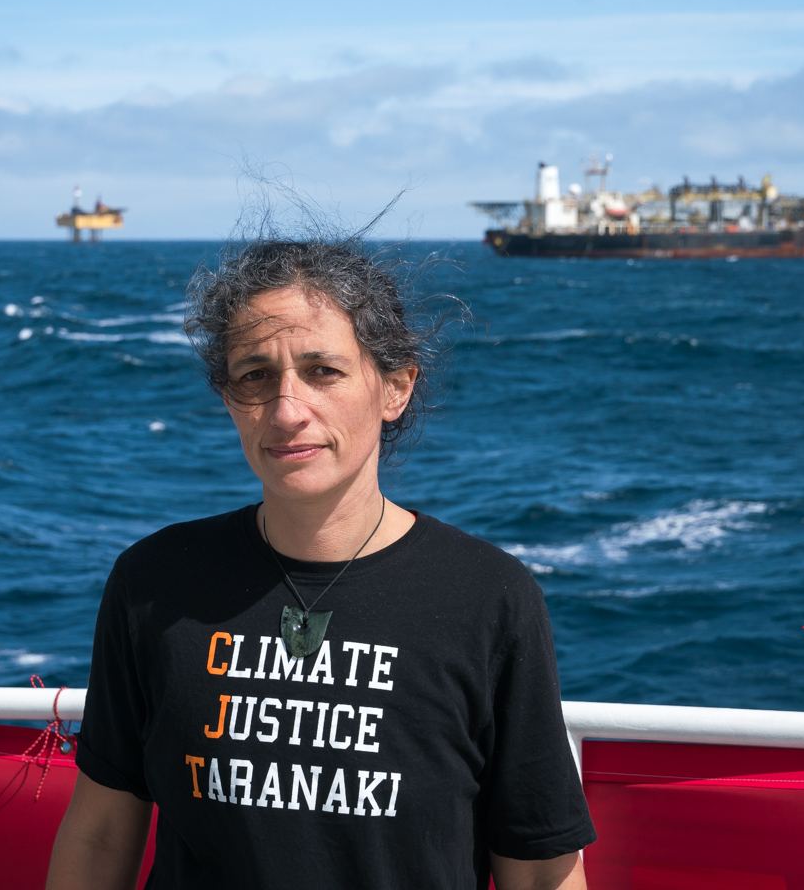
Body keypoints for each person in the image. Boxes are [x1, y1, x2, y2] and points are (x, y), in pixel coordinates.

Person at [46, 235, 595, 890]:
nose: (285, 410)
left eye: (322, 371)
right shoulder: (154, 582)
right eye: (255, 375)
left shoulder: (485, 597)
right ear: (228, 398)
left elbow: (538, 872)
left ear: (394, 388)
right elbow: (101, 831)